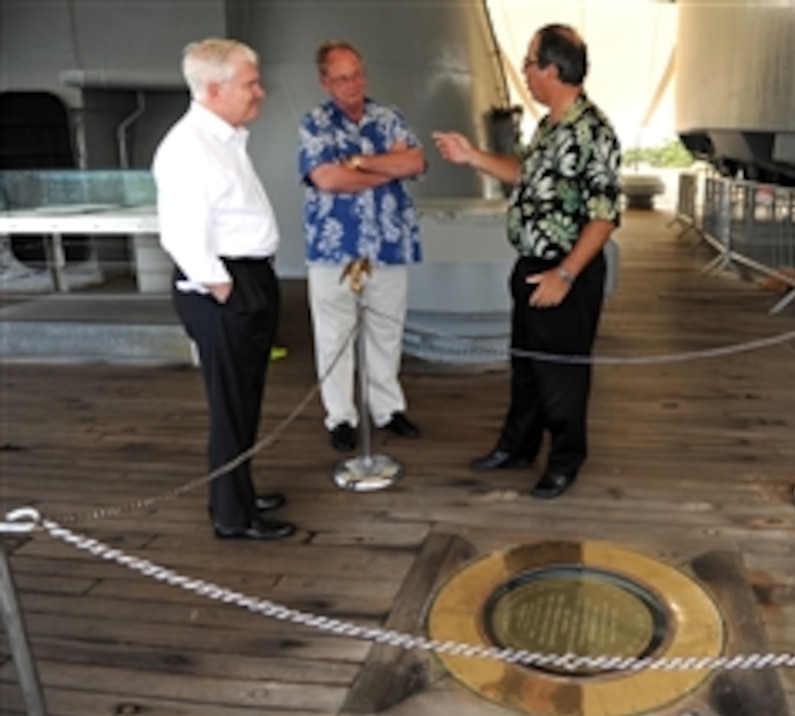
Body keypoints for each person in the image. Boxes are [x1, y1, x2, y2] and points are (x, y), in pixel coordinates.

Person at [433, 24, 621, 500]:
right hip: (533, 264)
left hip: (566, 270)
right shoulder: (550, 126)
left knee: (561, 373)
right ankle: (517, 447)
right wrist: (472, 155)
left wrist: (564, 274)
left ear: (552, 71)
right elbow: (526, 174)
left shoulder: (593, 132)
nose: (524, 72)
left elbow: (604, 217)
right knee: (527, 366)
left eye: (529, 63)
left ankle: (564, 459)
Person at [153, 38, 294, 540]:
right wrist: (227, 292)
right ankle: (233, 517)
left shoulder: (224, 139)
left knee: (245, 399)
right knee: (232, 404)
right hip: (224, 287)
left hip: (244, 279)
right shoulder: (188, 148)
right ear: (214, 89)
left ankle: (238, 492)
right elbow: (181, 238)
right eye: (250, 84)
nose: (260, 92)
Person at [298, 41, 426, 452]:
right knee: (334, 335)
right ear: (324, 81)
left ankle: (386, 409)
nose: (351, 84)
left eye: (356, 74)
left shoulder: (390, 118)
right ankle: (340, 417)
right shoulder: (314, 123)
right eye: (341, 78)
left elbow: (416, 163)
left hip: (387, 244)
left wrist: (359, 163)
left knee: (387, 330)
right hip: (334, 249)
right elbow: (327, 180)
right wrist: (386, 167)